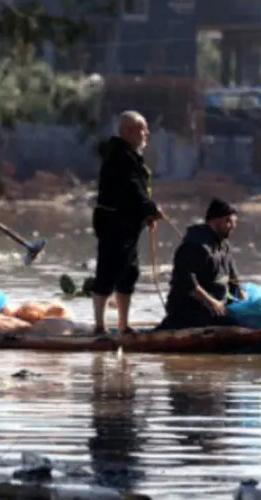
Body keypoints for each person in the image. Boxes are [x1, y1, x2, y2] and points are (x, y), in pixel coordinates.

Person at [92, 110, 163, 335]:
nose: (146, 133)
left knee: (129, 272)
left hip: (129, 224)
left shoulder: (130, 156)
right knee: (108, 271)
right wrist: (151, 209)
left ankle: (123, 325)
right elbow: (132, 190)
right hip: (113, 223)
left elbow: (138, 192)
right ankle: (99, 327)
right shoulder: (119, 156)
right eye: (143, 128)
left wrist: (147, 214)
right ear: (128, 131)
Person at [154, 198, 243, 331]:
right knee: (236, 325)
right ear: (214, 221)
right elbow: (186, 282)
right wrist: (211, 302)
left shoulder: (224, 245)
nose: (233, 226)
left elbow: (232, 278)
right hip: (190, 312)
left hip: (217, 307)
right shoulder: (195, 245)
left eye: (234, 222)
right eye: (228, 221)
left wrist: (241, 294)